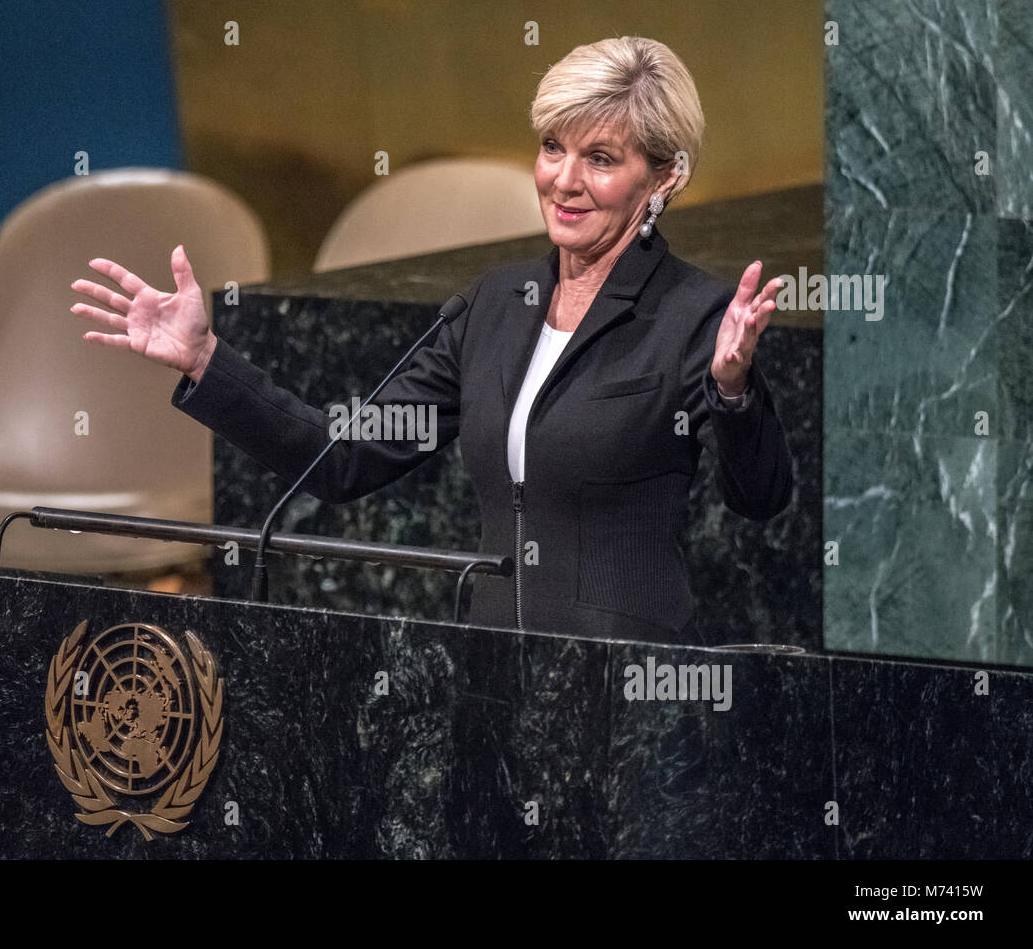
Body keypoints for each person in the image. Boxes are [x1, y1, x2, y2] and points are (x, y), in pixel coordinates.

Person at [70, 37, 794, 645]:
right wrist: (206, 361)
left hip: (625, 689)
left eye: (601, 159)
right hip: (491, 676)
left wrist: (732, 389)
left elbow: (760, 499)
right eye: (551, 148)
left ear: (664, 178)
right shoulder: (496, 305)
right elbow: (343, 457)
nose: (564, 181)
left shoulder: (693, 314)